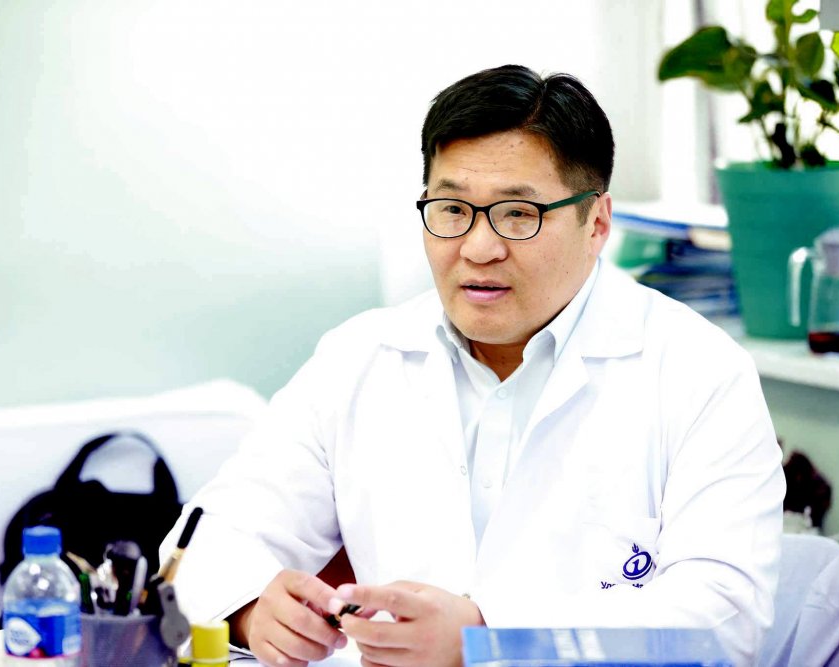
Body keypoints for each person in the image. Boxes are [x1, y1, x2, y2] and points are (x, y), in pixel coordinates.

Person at [161, 64, 785, 667]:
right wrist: (251, 609)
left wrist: (488, 639)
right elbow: (202, 545)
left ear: (596, 223)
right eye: (452, 210)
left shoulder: (699, 372)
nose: (479, 248)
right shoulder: (359, 358)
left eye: (518, 214)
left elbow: (723, 625)